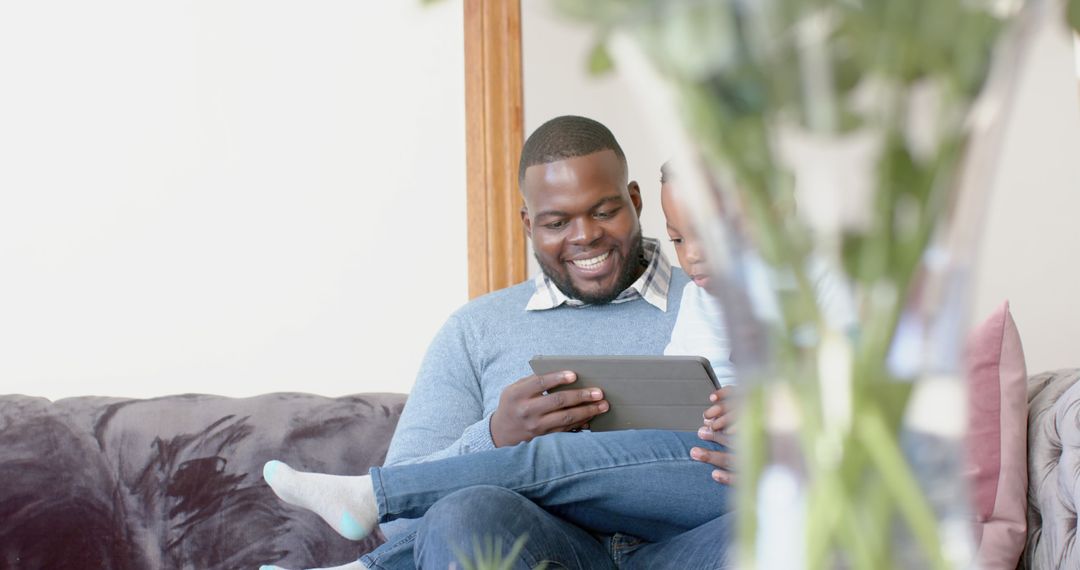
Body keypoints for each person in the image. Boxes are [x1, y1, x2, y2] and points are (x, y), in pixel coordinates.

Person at [260, 116, 735, 570]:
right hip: (542, 554)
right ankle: (377, 509)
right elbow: (404, 523)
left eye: (604, 212)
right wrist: (494, 437)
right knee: (463, 514)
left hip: (695, 547)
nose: (585, 236)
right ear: (528, 224)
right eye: (556, 223)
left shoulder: (720, 293)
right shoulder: (476, 329)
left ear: (635, 199)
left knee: (786, 519)